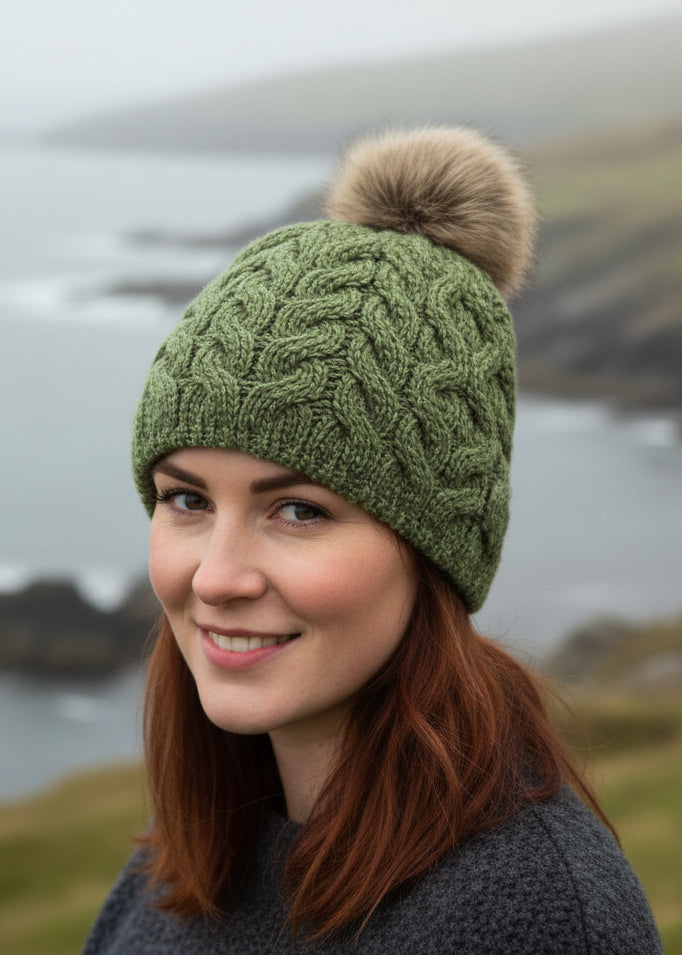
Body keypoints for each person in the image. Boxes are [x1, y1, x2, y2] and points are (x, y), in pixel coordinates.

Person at [82, 127, 663, 954]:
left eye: (300, 511)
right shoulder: (185, 862)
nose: (216, 576)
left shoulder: (526, 919)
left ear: (434, 548)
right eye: (186, 498)